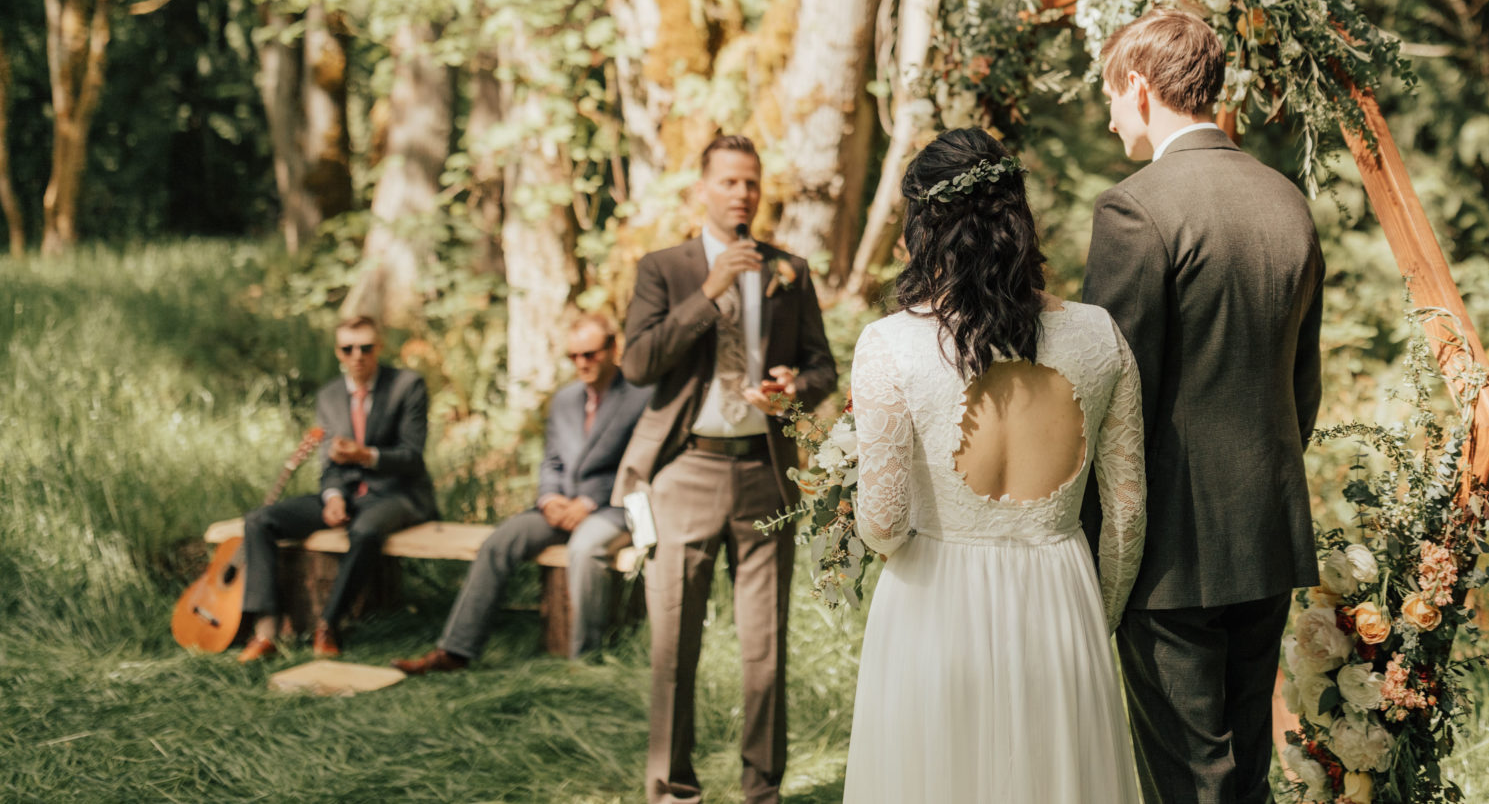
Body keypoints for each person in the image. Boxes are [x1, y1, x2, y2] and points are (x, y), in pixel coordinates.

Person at [842, 127, 1147, 804]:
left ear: (922, 226)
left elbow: (884, 523)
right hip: (1061, 601)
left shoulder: (889, 345)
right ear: (1018, 218)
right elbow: (1125, 514)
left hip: (933, 607)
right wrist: (1095, 618)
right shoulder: (1099, 335)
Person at [1083, 9, 1325, 804]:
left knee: (1189, 779)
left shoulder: (1135, 208)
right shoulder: (1286, 199)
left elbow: (1104, 391)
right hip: (1267, 531)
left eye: (1112, 93)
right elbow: (1304, 383)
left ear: (1143, 89)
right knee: (1244, 768)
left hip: (1170, 549)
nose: (1110, 112)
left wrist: (1089, 534)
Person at [617, 134, 839, 804]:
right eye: (729, 181)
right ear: (702, 189)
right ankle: (670, 788)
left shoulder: (789, 269)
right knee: (673, 645)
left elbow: (823, 366)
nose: (742, 193)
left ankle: (761, 789)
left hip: (764, 472)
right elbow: (637, 364)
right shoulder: (665, 268)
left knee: (765, 644)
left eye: (751, 182)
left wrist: (792, 384)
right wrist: (710, 293)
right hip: (685, 469)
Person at [391, 312, 653, 673]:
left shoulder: (642, 397)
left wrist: (588, 502)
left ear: (613, 349)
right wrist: (549, 498)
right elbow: (551, 461)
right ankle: (455, 651)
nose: (582, 363)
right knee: (500, 541)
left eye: (590, 354)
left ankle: (586, 661)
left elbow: (641, 463)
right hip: (559, 507)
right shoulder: (564, 400)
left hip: (613, 507)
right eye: (573, 356)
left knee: (585, 549)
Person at [237, 315, 437, 663]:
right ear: (338, 353)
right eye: (348, 348)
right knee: (259, 520)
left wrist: (366, 456)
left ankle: (328, 623)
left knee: (365, 530)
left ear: (379, 348)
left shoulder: (407, 385)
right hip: (347, 494)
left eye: (365, 348)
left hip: (398, 494)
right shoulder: (329, 396)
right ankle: (266, 629)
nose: (357, 355)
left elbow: (412, 457)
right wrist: (332, 497)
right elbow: (329, 466)